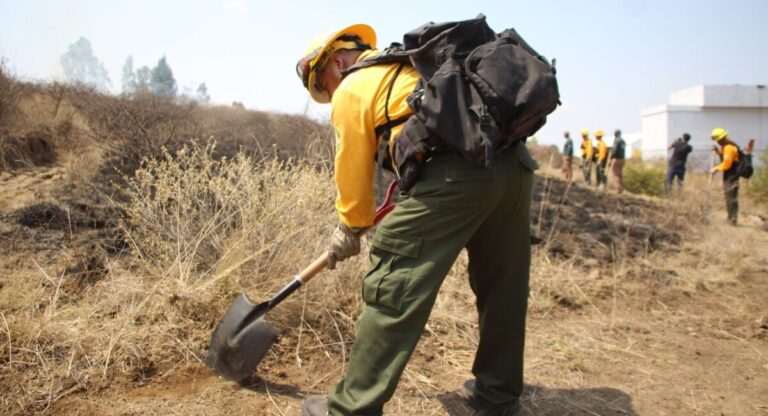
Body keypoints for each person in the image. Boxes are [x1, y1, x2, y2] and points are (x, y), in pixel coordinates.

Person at [296, 24, 534, 416]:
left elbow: (351, 174)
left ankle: (350, 408)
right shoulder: (412, 67)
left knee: (393, 283)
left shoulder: (353, 88)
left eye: (324, 83)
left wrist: (350, 227)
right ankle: (498, 397)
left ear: (336, 62)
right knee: (503, 288)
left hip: (457, 178)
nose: (330, 94)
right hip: (516, 170)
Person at [710, 127, 740, 225]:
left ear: (721, 138)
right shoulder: (725, 146)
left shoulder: (729, 147)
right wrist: (718, 151)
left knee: (731, 197)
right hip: (729, 174)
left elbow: (727, 164)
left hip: (732, 175)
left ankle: (733, 219)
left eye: (717, 140)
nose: (717, 142)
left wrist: (716, 168)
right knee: (728, 196)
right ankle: (730, 217)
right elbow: (724, 158)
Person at [608, 129, 626, 193]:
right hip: (623, 159)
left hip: (617, 159)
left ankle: (618, 189)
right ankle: (621, 188)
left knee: (616, 174)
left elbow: (614, 151)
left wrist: (611, 158)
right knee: (620, 174)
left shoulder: (617, 140)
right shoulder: (623, 141)